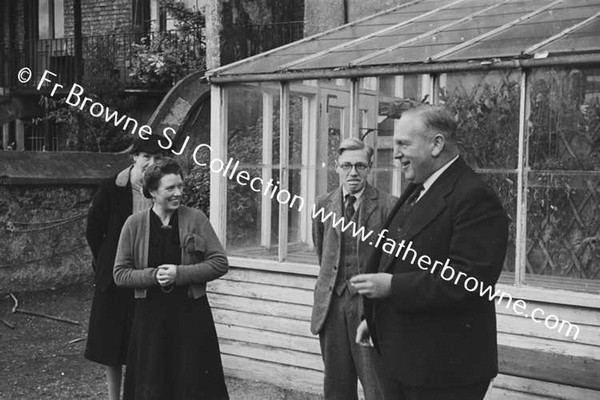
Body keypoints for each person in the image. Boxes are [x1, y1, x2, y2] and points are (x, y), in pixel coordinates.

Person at [351, 105, 509, 400]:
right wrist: (375, 320)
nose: (395, 152)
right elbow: (396, 257)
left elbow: (467, 282)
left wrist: (390, 288)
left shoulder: (474, 197)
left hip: (444, 373)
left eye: (403, 144)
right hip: (405, 358)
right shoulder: (418, 188)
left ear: (436, 144)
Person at [113, 157, 229, 400]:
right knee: (153, 385)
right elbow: (120, 274)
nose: (178, 193)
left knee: (193, 384)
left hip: (191, 317)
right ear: (153, 191)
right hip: (151, 321)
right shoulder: (134, 224)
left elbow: (219, 263)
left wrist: (180, 274)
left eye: (180, 186)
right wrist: (153, 276)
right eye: (170, 188)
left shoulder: (196, 219)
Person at [311, 137, 396, 400]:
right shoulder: (323, 204)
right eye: (346, 166)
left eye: (360, 166)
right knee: (336, 386)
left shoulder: (388, 206)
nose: (353, 173)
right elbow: (323, 252)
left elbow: (392, 261)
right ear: (336, 167)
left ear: (369, 168)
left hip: (369, 308)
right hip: (332, 305)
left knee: (377, 386)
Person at [84, 136, 165, 400]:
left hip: (147, 275)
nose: (151, 163)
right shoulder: (112, 187)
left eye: (157, 158)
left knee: (143, 341)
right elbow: (94, 230)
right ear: (134, 157)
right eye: (146, 157)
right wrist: (106, 261)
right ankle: (113, 397)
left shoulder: (160, 189)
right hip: (116, 275)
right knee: (112, 342)